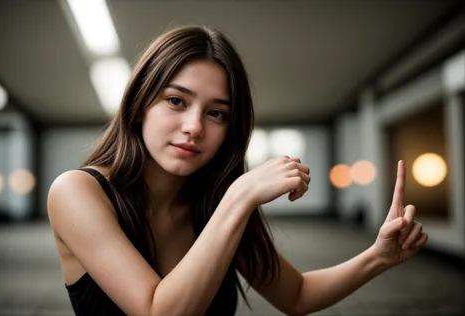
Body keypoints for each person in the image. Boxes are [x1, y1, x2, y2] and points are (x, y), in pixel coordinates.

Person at [47, 25, 428, 316]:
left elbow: (296, 295)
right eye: (177, 101)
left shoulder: (213, 201)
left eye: (216, 113)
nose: (194, 126)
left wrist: (377, 256)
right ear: (139, 103)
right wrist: (241, 195)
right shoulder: (77, 192)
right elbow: (157, 311)